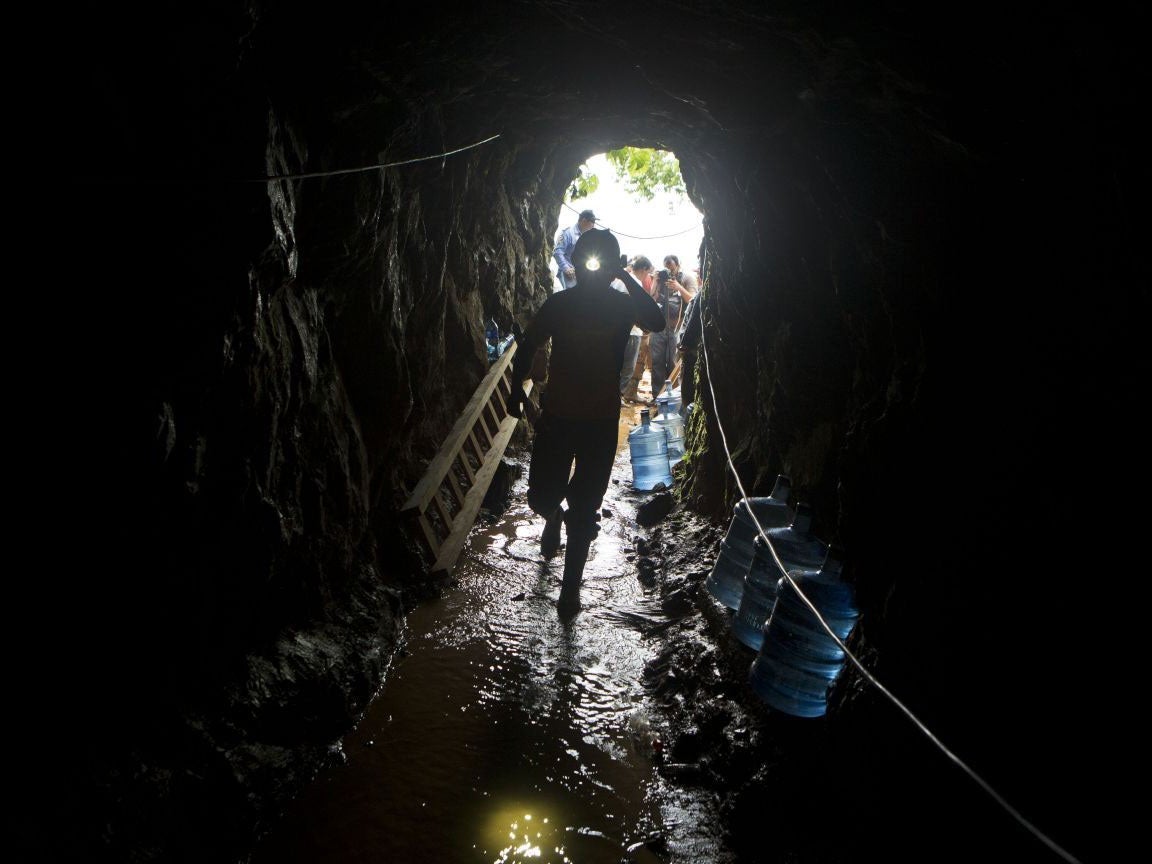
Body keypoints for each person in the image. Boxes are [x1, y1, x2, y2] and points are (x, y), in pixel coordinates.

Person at [509, 228, 665, 612]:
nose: (592, 268)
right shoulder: (559, 304)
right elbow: (529, 343)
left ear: (610, 267)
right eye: (588, 260)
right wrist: (515, 389)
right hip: (559, 416)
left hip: (599, 421)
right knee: (541, 496)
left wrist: (625, 276)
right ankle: (553, 516)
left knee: (586, 507)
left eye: (602, 262)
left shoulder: (620, 305)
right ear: (576, 263)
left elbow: (656, 322)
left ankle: (570, 592)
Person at [648, 255, 698, 403]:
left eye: (672, 268)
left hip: (677, 326)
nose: (669, 272)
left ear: (678, 265)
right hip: (659, 326)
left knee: (673, 362)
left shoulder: (687, 279)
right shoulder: (660, 279)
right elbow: (651, 299)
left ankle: (673, 398)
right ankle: (657, 397)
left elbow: (692, 300)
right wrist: (656, 281)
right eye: (666, 268)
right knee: (656, 362)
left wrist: (678, 287)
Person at [614, 255, 654, 399]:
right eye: (648, 273)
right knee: (627, 368)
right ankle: (617, 397)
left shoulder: (618, 280)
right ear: (644, 269)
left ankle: (613, 396)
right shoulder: (634, 283)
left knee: (616, 365)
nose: (647, 276)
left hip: (616, 330)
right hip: (632, 331)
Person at [552, 209, 597, 291]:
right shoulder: (568, 233)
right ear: (584, 221)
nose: (593, 225)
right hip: (569, 274)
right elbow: (558, 252)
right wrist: (566, 269)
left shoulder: (588, 237)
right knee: (571, 298)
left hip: (582, 274)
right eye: (592, 222)